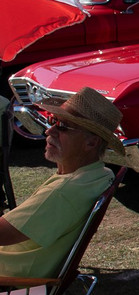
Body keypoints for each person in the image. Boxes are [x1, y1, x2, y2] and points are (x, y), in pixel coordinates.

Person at [0, 88, 123, 279]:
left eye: (63, 126)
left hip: (12, 277)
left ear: (91, 143)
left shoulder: (64, 192)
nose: (49, 130)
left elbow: (3, 235)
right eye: (52, 121)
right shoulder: (99, 174)